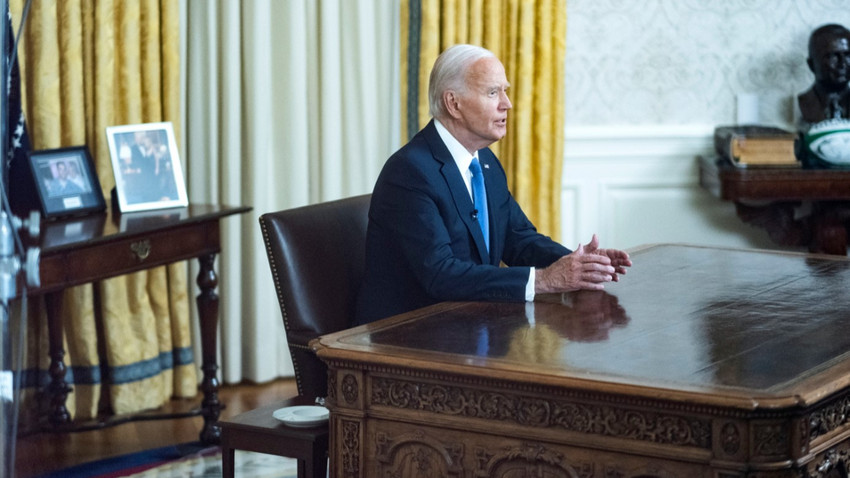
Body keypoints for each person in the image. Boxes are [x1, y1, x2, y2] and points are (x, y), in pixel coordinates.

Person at [354, 44, 632, 326]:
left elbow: (518, 239)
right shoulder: (410, 172)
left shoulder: (485, 161)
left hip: (470, 324)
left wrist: (581, 265)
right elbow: (440, 274)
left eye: (505, 90)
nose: (507, 103)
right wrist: (545, 279)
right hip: (407, 336)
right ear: (454, 103)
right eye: (492, 92)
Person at [797, 24, 850, 126]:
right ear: (811, 64)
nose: (842, 63)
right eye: (832, 56)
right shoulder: (802, 103)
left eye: (848, 55)